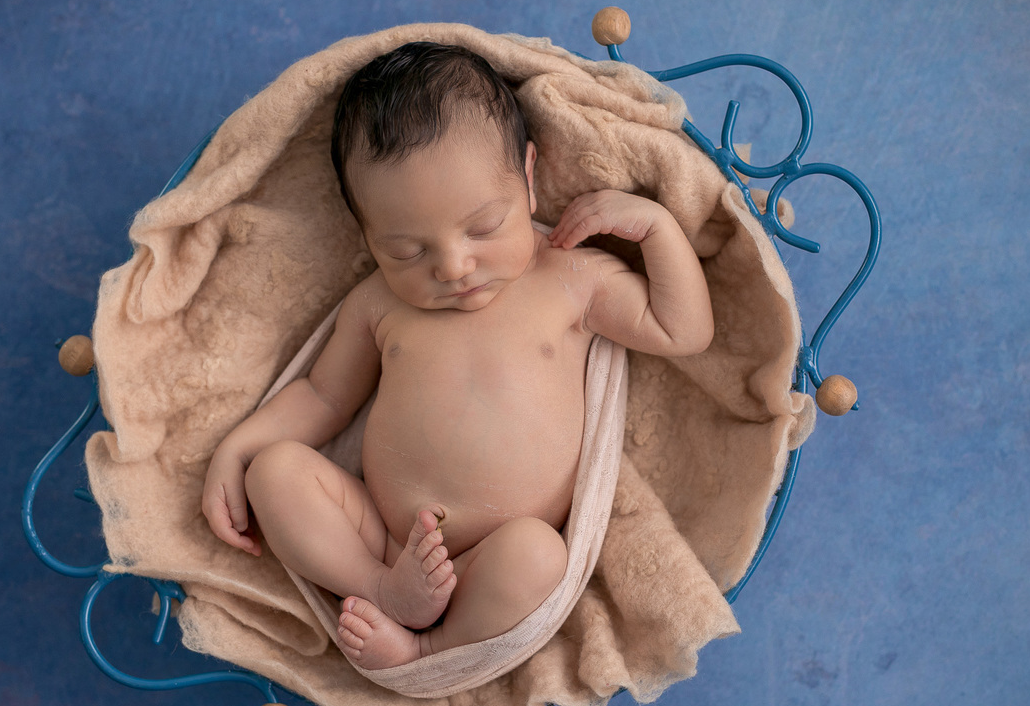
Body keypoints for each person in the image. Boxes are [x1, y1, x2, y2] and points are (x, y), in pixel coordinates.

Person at [202, 42, 713, 671]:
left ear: (528, 178)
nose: (452, 267)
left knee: (538, 556)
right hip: (384, 539)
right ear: (367, 237)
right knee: (276, 472)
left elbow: (681, 330)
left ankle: (429, 646)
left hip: (495, 556)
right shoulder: (377, 305)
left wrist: (658, 228)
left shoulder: (572, 280)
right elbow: (324, 397)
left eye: (483, 227)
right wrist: (240, 446)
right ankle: (381, 590)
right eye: (407, 250)